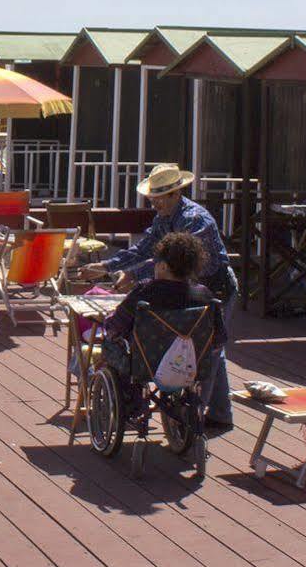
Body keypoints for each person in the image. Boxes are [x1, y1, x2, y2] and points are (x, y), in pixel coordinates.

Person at [78, 164, 237, 431]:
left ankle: (195, 419)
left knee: (207, 350)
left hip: (213, 289)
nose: (155, 202)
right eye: (153, 197)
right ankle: (221, 414)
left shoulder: (196, 220)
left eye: (160, 196)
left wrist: (132, 273)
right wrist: (107, 267)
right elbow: (144, 249)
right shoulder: (164, 218)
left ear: (177, 194)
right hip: (188, 289)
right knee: (208, 349)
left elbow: (174, 262)